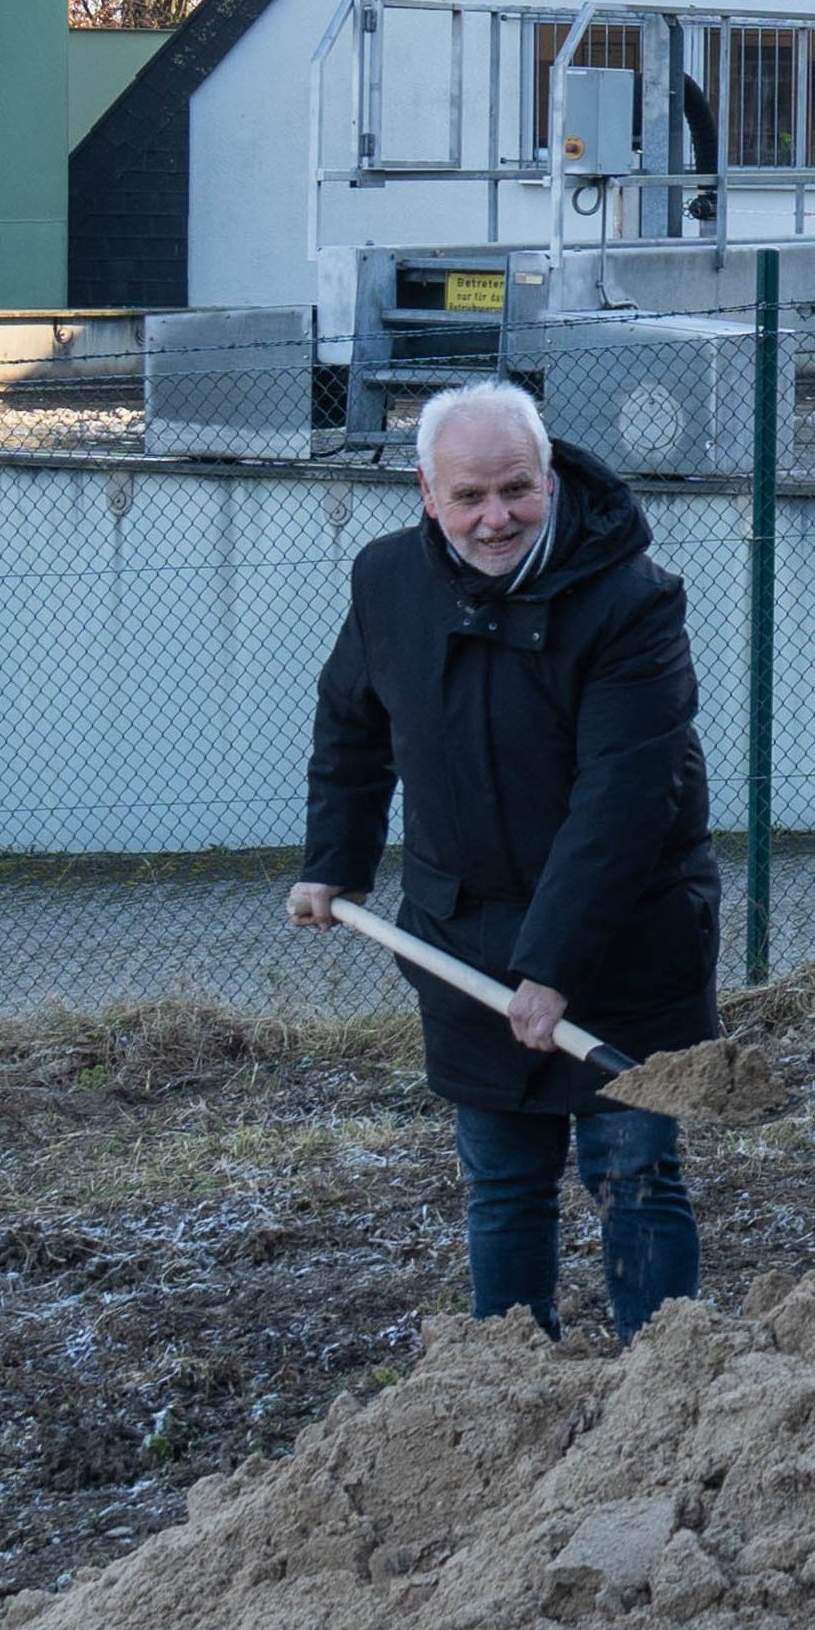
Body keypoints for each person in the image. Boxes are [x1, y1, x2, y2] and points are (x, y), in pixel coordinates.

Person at [294, 382, 714, 1342]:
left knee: (635, 1171)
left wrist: (554, 965)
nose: (497, 518)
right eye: (471, 496)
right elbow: (353, 727)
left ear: (550, 475)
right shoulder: (388, 581)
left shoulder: (631, 601)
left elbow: (625, 798)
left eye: (518, 490)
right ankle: (506, 1390)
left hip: (630, 940)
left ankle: (670, 1385)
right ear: (426, 492)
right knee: (503, 1180)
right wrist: (335, 861)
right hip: (464, 940)